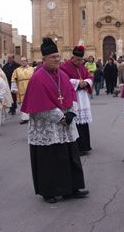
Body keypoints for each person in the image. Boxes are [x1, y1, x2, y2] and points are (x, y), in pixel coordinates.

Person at [21, 38, 88, 203]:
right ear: (44, 59)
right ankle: (49, 191)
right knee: (50, 160)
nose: (57, 59)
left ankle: (71, 189)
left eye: (58, 56)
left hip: (65, 125)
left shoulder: (63, 75)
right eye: (53, 57)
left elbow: (72, 95)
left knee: (68, 156)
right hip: (49, 126)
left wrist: (71, 113)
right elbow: (40, 104)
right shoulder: (38, 77)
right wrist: (60, 117)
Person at [60, 46, 94, 155]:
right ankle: (77, 146)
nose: (80, 62)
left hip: (83, 96)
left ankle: (85, 146)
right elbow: (63, 79)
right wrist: (77, 82)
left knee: (83, 123)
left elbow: (90, 77)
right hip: (73, 96)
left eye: (81, 60)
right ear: (72, 57)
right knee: (75, 120)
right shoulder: (65, 66)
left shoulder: (82, 67)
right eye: (77, 60)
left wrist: (87, 82)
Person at [11, 57, 35, 124]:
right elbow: (13, 80)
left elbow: (36, 78)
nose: (23, 62)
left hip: (30, 88)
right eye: (21, 61)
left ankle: (31, 116)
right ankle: (24, 118)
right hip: (21, 88)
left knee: (31, 102)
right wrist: (14, 89)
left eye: (24, 61)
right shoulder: (17, 70)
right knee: (22, 103)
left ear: (27, 62)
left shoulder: (32, 69)